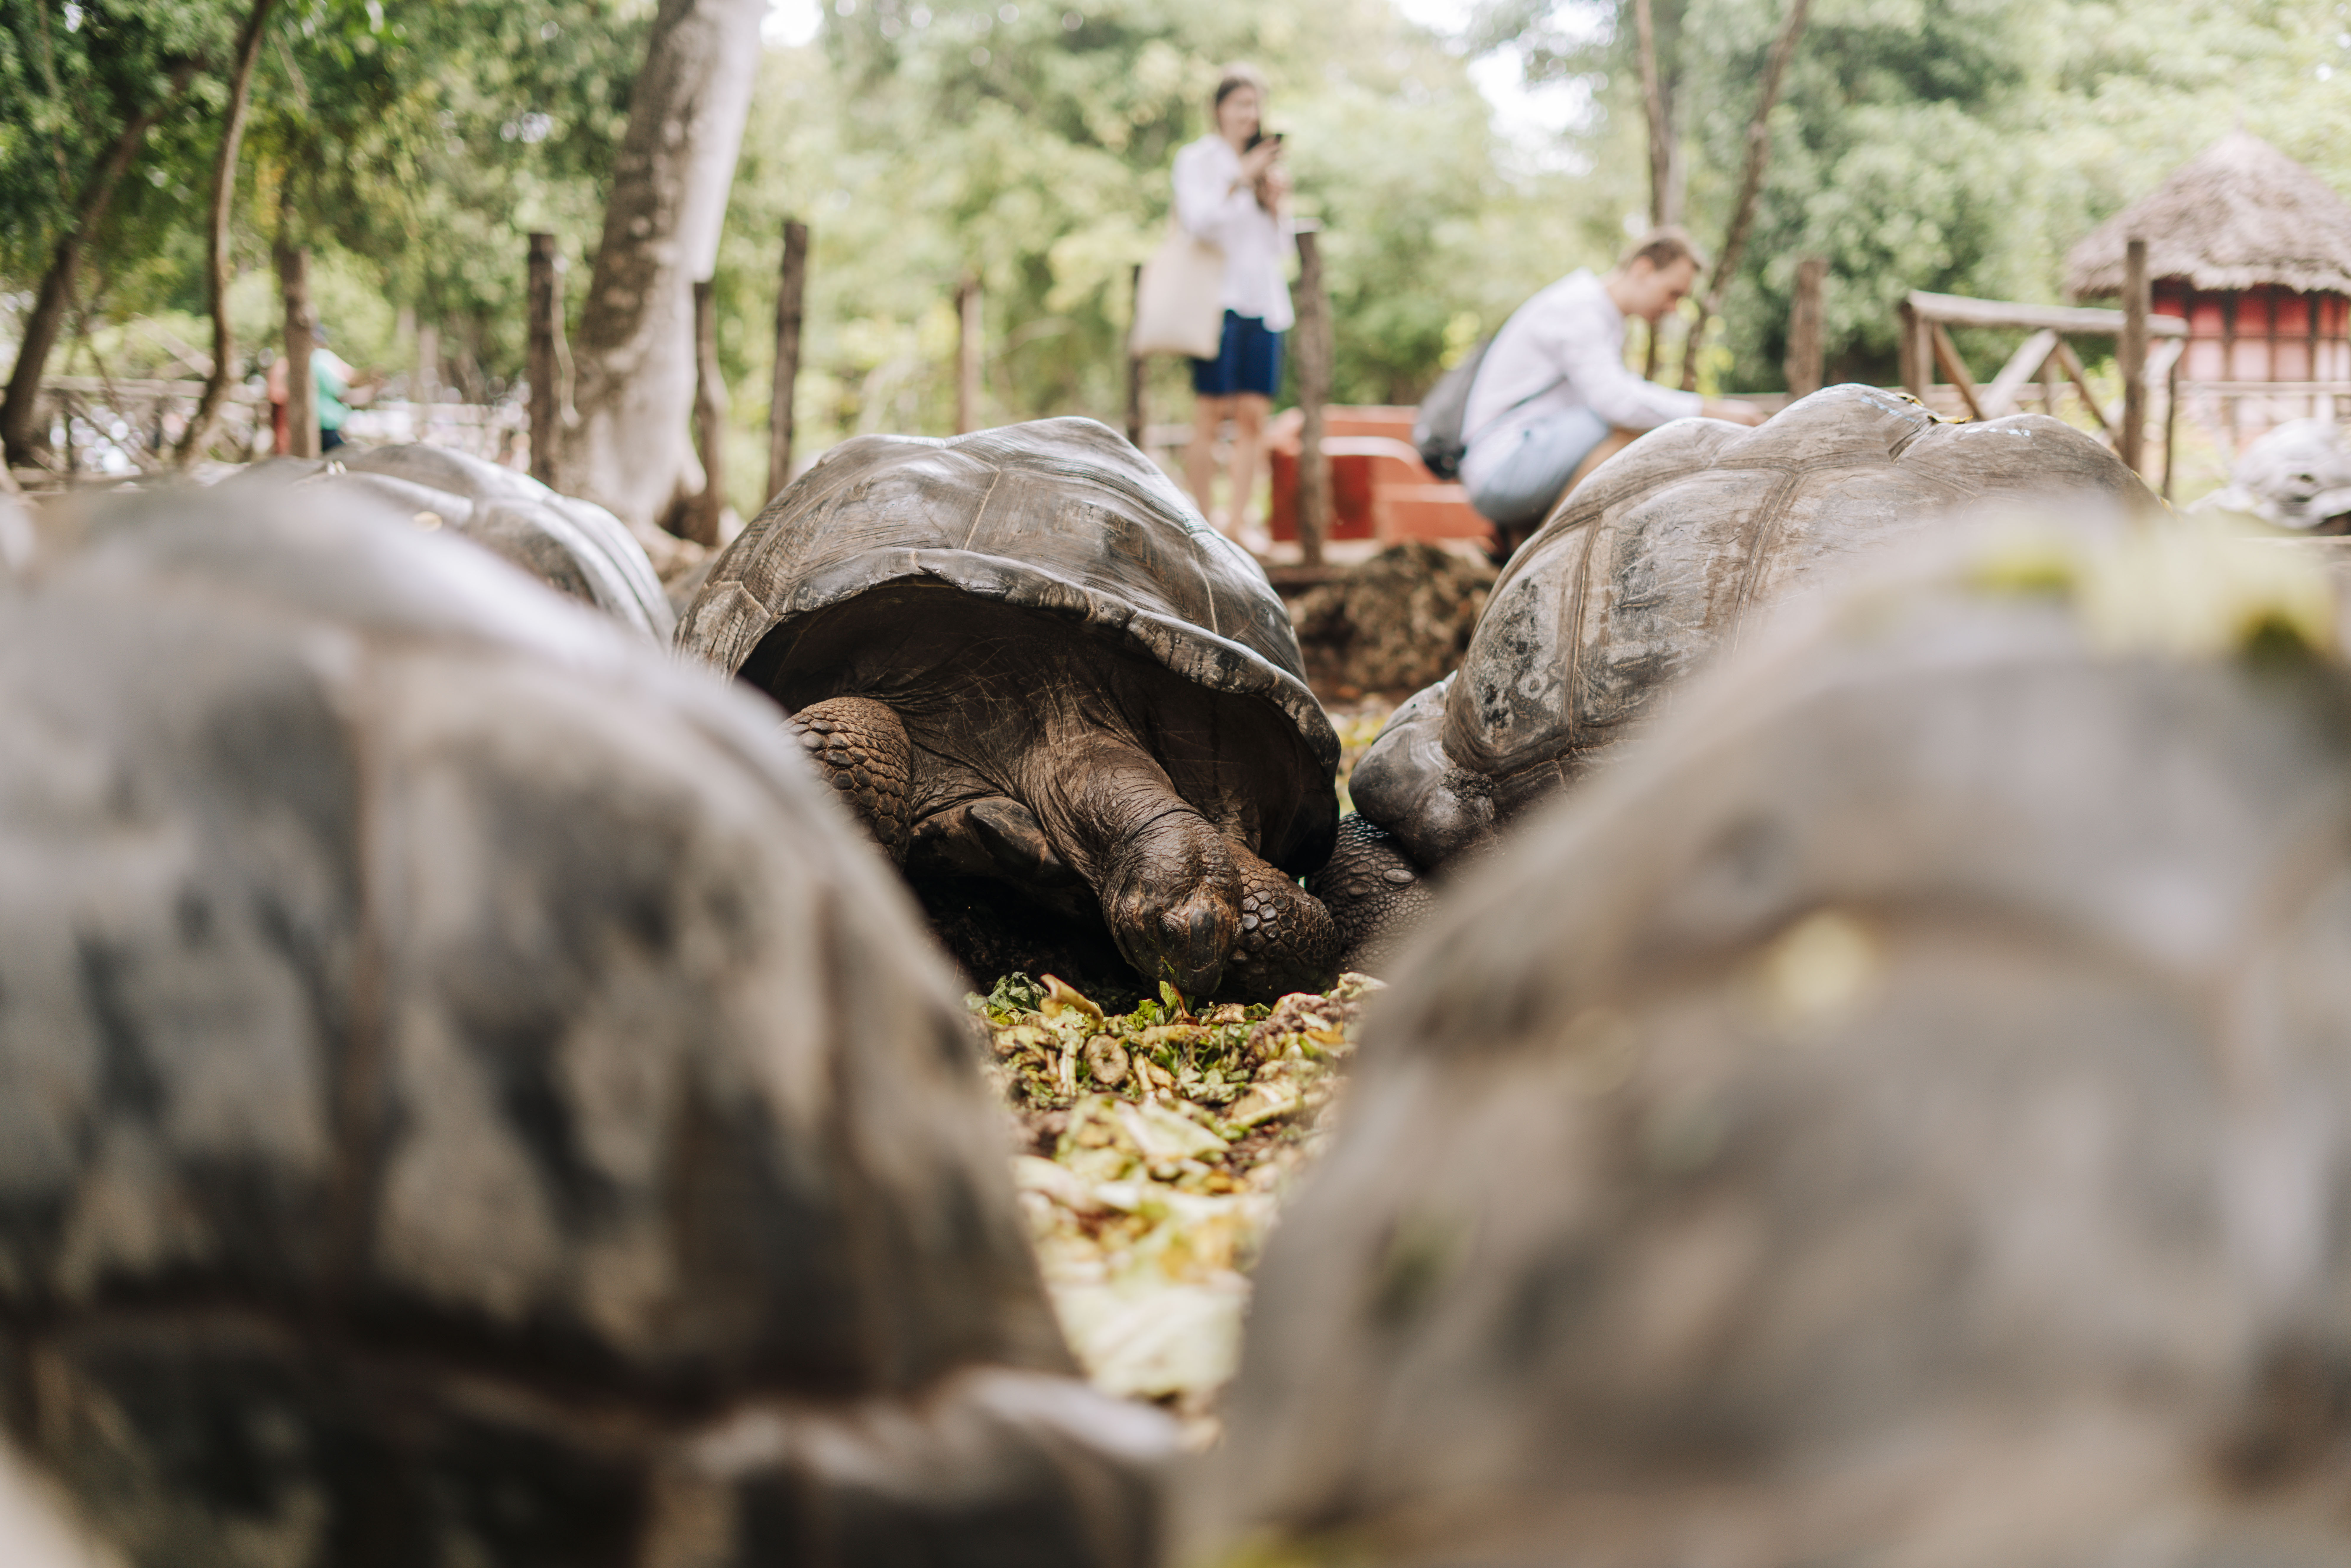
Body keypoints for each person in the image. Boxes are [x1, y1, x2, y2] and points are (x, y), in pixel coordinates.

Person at [1460, 229, 1766, 551]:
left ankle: (1529, 542)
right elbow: (1617, 403)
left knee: (1624, 422)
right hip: (1500, 468)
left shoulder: (1601, 316)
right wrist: (1711, 410)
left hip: (1522, 460)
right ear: (1643, 271)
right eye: (1672, 293)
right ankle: (1546, 553)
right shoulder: (1579, 308)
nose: (1673, 307)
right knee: (1623, 426)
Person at [1174, 63, 1291, 545]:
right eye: (1241, 104)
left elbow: (1280, 247)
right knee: (1210, 413)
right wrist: (1239, 178)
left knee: (1253, 418)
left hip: (1263, 303)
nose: (1250, 114)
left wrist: (1274, 198)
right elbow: (1198, 222)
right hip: (1214, 300)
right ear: (1219, 109)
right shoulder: (1197, 160)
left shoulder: (1266, 168)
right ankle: (1202, 523)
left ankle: (1238, 524)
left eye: (1256, 105)